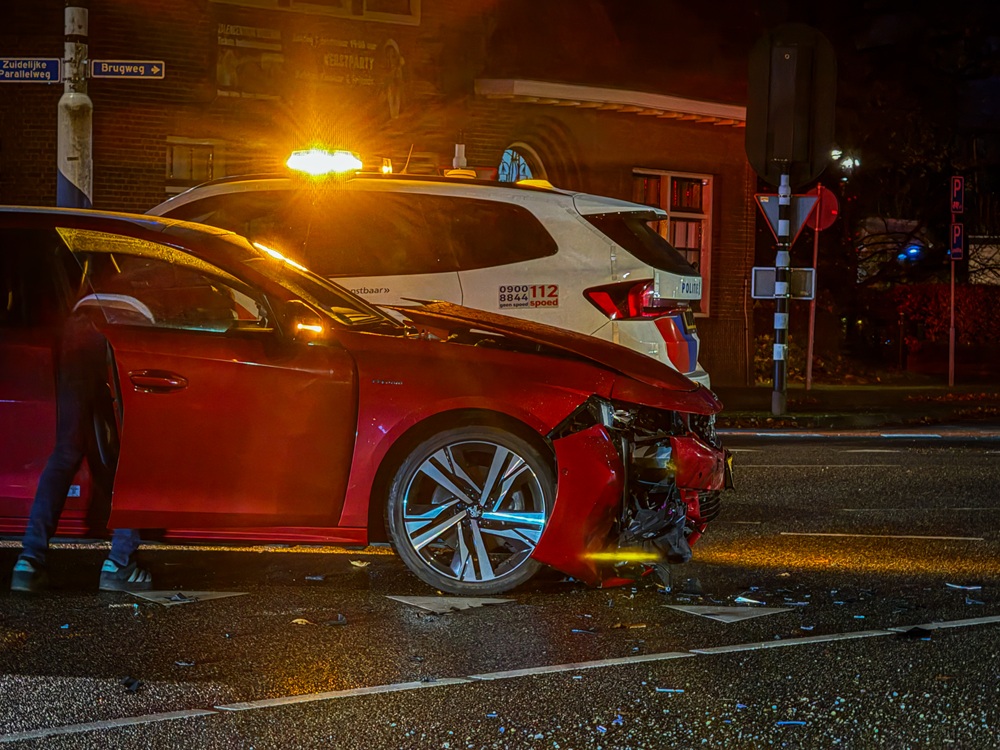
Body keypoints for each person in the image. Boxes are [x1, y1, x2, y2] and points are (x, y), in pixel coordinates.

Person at [11, 282, 152, 593]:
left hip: (76, 330)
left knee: (66, 452)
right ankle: (119, 562)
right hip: (120, 331)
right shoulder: (138, 251)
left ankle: (29, 560)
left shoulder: (81, 252)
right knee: (133, 449)